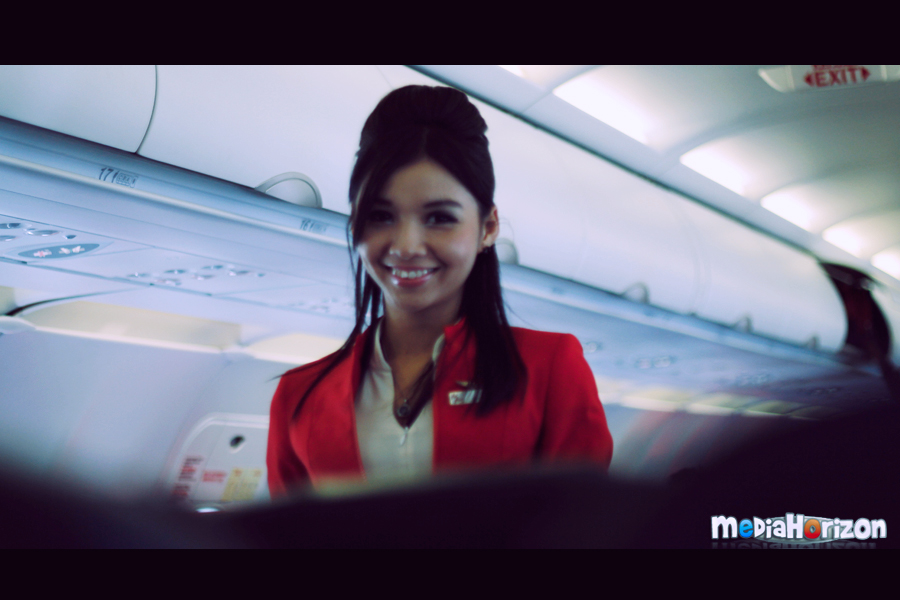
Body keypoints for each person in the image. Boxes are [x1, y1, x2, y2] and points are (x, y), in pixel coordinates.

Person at [267, 85, 613, 496]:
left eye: (439, 218)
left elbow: (588, 522)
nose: (406, 246)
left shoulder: (549, 368)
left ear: (488, 227)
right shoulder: (299, 395)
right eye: (380, 215)